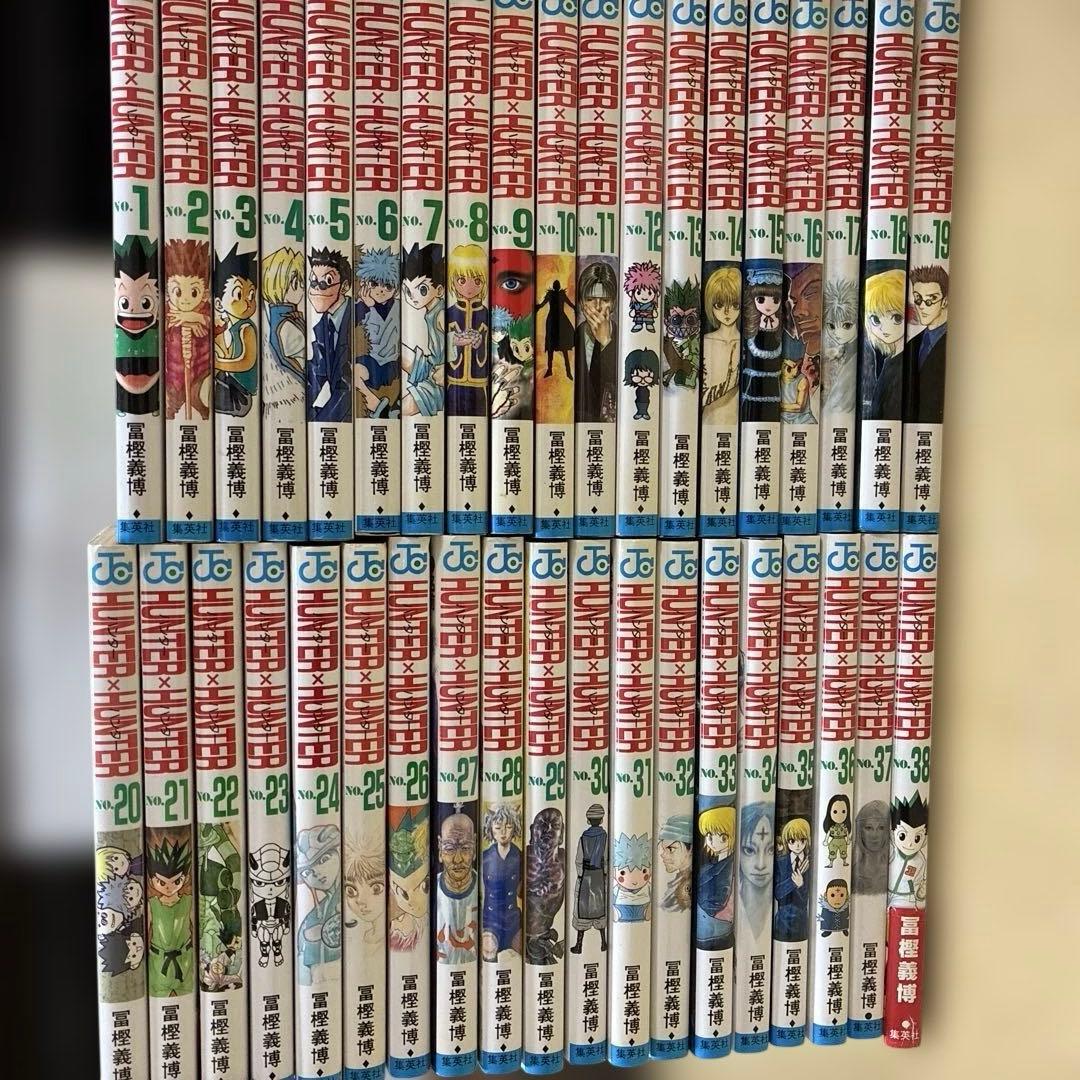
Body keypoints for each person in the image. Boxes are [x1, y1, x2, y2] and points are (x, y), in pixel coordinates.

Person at [306, 246, 353, 422]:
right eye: (313, 282)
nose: (317, 289)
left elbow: (348, 387)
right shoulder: (323, 325)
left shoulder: (359, 320)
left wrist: (321, 421)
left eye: (325, 282)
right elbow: (317, 371)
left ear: (345, 286)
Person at [904, 265, 949, 423]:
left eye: (930, 299)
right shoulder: (912, 345)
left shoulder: (949, 343)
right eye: (918, 298)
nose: (922, 306)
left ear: (944, 301)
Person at [575, 262, 618, 422]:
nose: (598, 307)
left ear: (613, 303)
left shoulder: (625, 339)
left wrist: (606, 342)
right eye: (590, 299)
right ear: (581, 303)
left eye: (605, 300)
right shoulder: (572, 338)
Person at [480, 803, 523, 961]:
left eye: (508, 827)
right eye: (498, 828)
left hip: (513, 920)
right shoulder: (485, 857)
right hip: (491, 920)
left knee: (518, 956)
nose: (503, 833)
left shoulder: (519, 856)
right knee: (489, 954)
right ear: (491, 828)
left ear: (515, 827)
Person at [862, 268, 907, 421]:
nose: (885, 329)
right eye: (875, 320)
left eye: (896, 317)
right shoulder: (890, 361)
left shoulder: (902, 364)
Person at [701, 266, 741, 426]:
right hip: (709, 421)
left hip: (740, 425)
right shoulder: (705, 341)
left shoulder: (748, 344)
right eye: (719, 304)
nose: (726, 311)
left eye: (735, 304)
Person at [695, 805, 735, 950]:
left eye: (722, 837)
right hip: (707, 922)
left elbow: (718, 899)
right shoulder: (712, 862)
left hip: (715, 926)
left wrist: (701, 905)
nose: (712, 842)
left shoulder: (728, 866)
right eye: (709, 836)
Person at [569, 804, 608, 954]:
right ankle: (603, 942)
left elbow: (579, 859)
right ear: (601, 819)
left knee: (583, 909)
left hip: (586, 875)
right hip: (599, 875)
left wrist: (581, 874)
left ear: (588, 820)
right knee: (600, 908)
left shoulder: (584, 837)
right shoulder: (605, 837)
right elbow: (606, 857)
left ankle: (579, 945)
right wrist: (604, 873)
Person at [773, 817, 811, 941]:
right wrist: (793, 883)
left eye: (802, 840)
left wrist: (801, 885)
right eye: (792, 841)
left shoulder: (810, 863)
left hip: (802, 921)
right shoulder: (781, 862)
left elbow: (807, 897)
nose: (798, 845)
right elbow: (778, 893)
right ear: (787, 841)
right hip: (783, 921)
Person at [888, 793, 929, 908]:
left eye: (917, 838)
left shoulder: (920, 861)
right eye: (902, 836)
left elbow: (919, 883)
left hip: (906, 898)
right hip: (885, 893)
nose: (910, 844)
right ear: (893, 833)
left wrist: (920, 894)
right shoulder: (891, 850)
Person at [535, 279, 575, 380]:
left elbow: (570, 304)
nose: (556, 286)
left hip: (559, 321)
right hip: (554, 321)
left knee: (562, 347)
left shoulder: (560, 295)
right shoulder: (552, 295)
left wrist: (575, 308)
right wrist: (537, 307)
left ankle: (568, 372)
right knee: (552, 347)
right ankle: (552, 370)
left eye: (556, 284)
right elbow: (542, 304)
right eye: (555, 284)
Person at [656, 814, 693, 912]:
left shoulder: (688, 883)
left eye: (671, 849)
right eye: (663, 849)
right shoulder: (677, 880)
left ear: (690, 849)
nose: (663, 855)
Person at [821, 794, 852, 868]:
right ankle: (831, 863)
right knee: (832, 851)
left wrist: (848, 840)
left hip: (842, 840)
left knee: (843, 851)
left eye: (843, 811)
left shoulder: (844, 827)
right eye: (835, 812)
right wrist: (825, 840)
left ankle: (844, 862)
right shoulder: (832, 827)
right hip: (834, 841)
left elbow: (847, 833)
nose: (839, 815)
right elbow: (828, 833)